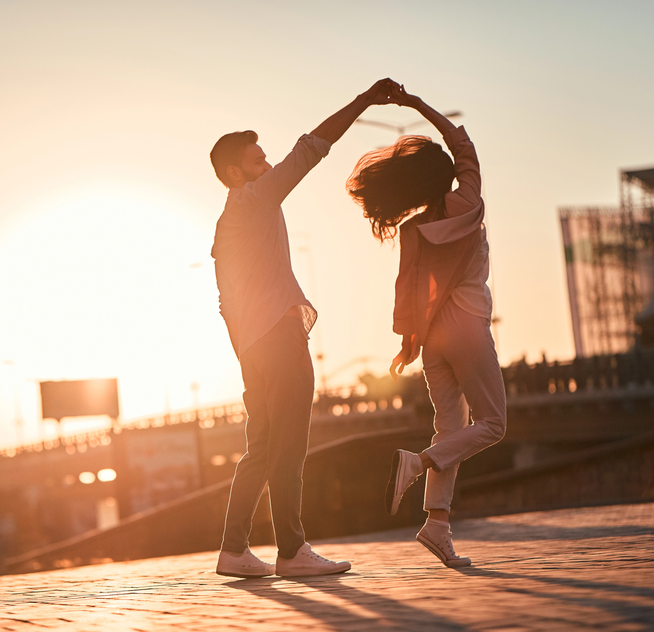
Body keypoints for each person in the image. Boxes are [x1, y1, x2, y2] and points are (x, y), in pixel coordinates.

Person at [210, 79, 397, 578]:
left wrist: (245, 351)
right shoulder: (255, 199)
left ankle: (234, 550)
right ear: (235, 173)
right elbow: (311, 149)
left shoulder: (226, 224)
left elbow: (225, 301)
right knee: (289, 448)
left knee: (262, 449)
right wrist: (362, 101)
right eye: (257, 161)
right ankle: (292, 552)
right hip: (278, 338)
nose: (268, 167)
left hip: (253, 348)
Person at [346, 84, 506, 568]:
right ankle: (417, 464)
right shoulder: (467, 203)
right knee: (493, 424)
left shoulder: (415, 229)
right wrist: (417, 104)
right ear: (446, 178)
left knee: (449, 427)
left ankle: (437, 525)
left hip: (432, 333)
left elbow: (407, 287)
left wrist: (407, 339)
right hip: (467, 322)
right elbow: (464, 147)